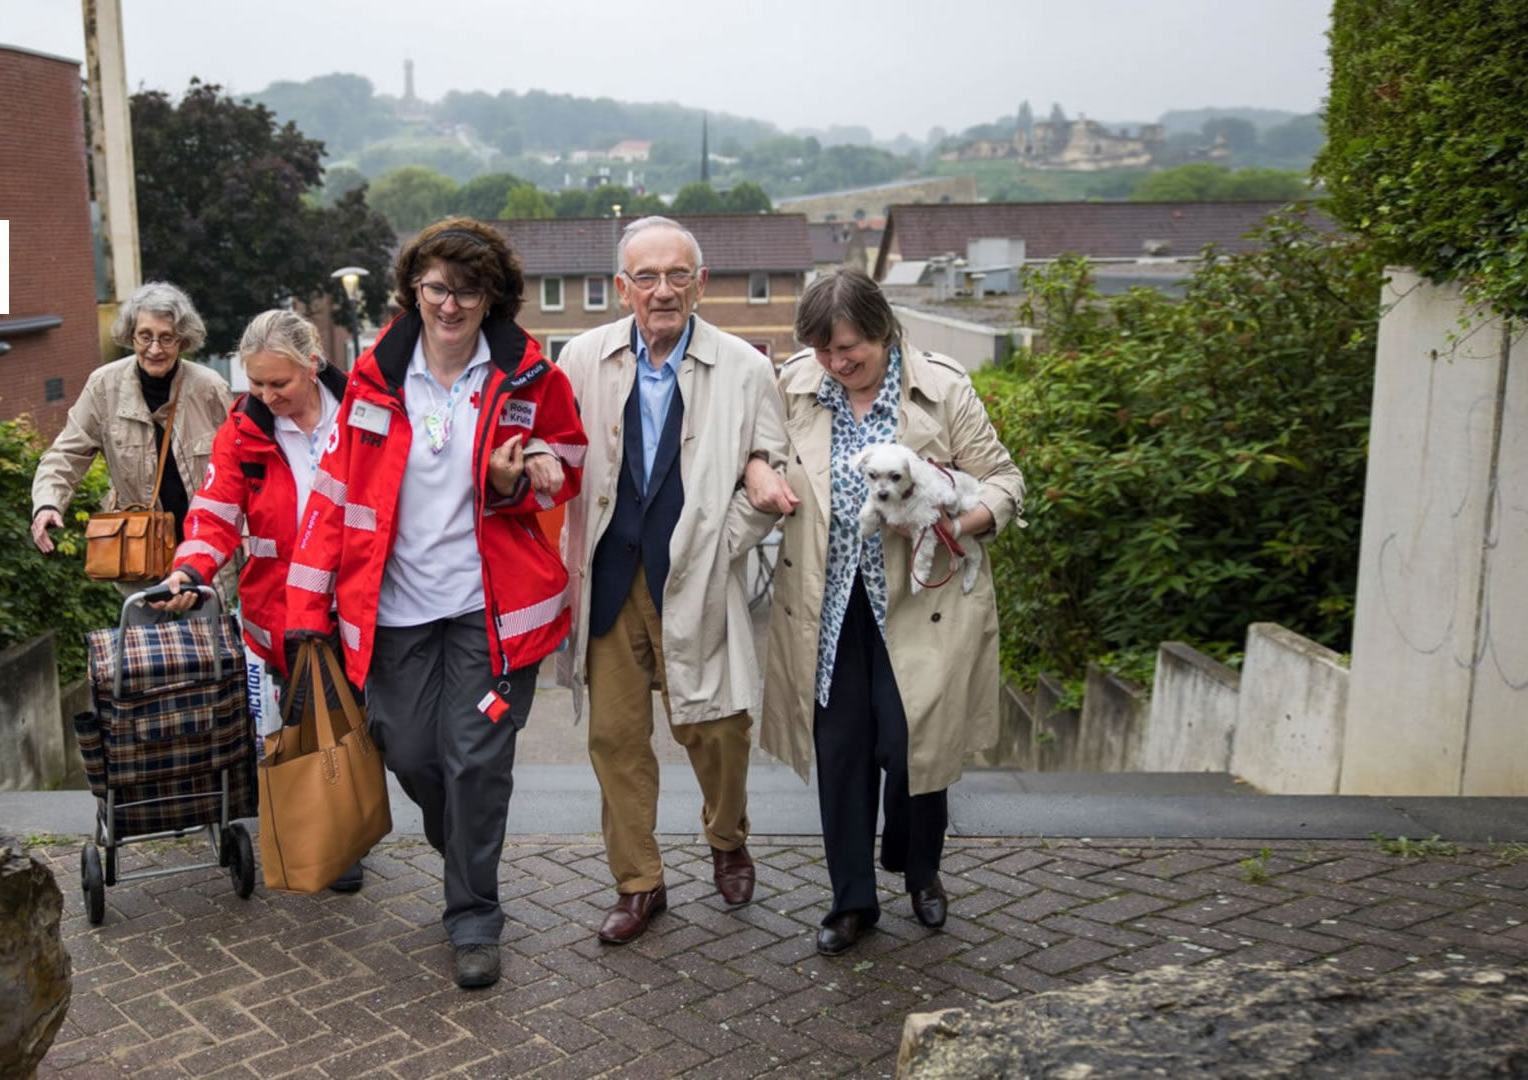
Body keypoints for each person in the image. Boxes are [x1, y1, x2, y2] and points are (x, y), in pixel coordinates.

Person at [285, 217, 586, 989]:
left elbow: (570, 456)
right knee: (414, 753)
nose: (449, 305)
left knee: (477, 761)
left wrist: (533, 473)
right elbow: (333, 494)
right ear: (413, 291)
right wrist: (304, 611)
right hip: (395, 613)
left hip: (491, 614)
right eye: (435, 288)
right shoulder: (374, 378)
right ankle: (458, 841)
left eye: (468, 291)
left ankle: (474, 915)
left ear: (493, 298)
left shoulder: (528, 376)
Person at [760, 268, 1024, 955]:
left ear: (883, 330)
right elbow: (756, 458)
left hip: (920, 602)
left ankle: (921, 867)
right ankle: (851, 900)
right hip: (827, 603)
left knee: (913, 747)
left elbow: (1004, 480)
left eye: (851, 349)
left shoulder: (940, 388)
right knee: (842, 752)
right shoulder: (795, 387)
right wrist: (756, 472)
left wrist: (960, 524)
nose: (838, 364)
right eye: (824, 351)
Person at [555, 215, 798, 946]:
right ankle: (639, 882)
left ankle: (727, 836)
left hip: (696, 579)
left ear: (703, 283)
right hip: (609, 579)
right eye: (647, 278)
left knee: (718, 727)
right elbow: (558, 454)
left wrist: (722, 539)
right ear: (623, 287)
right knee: (615, 740)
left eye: (678, 276)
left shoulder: (746, 368)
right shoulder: (580, 356)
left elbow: (773, 471)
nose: (663, 291)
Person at [152, 309, 364, 893]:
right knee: (306, 723)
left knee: (364, 722)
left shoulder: (363, 416)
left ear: (312, 365)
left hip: (359, 603)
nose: (265, 395)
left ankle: (348, 818)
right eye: (256, 383)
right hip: (283, 610)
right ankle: (334, 836)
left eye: (280, 383)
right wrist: (190, 569)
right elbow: (216, 511)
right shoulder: (243, 431)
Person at [30, 281, 236, 599]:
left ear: (182, 340)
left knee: (208, 646)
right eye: (145, 336)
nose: (154, 349)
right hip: (141, 559)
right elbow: (66, 454)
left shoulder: (209, 389)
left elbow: (246, 468)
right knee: (150, 646)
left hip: (206, 559)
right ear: (131, 335)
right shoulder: (103, 386)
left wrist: (249, 538)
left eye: (166, 338)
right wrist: (47, 503)